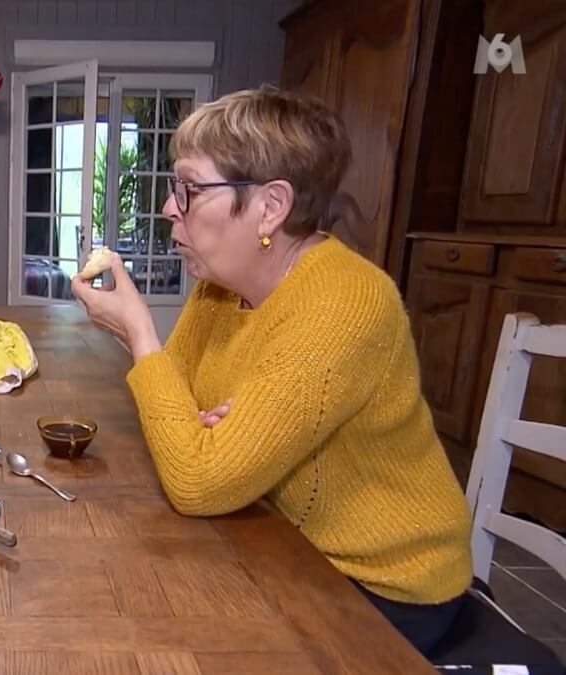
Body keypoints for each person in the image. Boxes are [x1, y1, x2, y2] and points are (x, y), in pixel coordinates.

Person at [71, 86, 473, 656]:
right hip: (275, 536)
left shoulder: (345, 303)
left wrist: (141, 336)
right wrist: (208, 436)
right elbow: (179, 417)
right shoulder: (220, 288)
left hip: (380, 585)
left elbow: (195, 478)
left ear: (270, 206)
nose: (168, 207)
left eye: (189, 188)